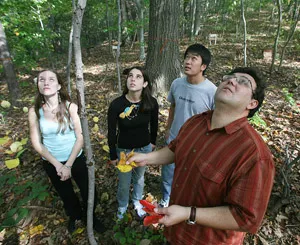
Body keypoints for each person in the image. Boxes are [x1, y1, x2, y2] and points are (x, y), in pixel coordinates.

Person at [128, 67, 275, 244]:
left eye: (243, 82)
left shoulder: (254, 154)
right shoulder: (196, 122)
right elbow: (175, 149)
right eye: (229, 77)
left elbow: (246, 218)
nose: (232, 81)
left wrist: (188, 213)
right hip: (174, 233)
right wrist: (145, 158)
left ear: (252, 103)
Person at [28, 70, 105, 234]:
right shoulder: (35, 111)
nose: (46, 82)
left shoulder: (71, 107)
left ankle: (90, 216)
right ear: (38, 85)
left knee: (89, 191)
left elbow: (80, 138)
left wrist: (68, 165)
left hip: (75, 159)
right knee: (66, 194)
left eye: (51, 79)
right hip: (52, 162)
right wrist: (58, 165)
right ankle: (75, 216)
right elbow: (36, 142)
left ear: (59, 85)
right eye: (42, 79)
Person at [160, 43, 217, 208]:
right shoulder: (177, 83)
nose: (188, 62)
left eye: (194, 59)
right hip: (174, 138)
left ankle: (185, 204)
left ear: (203, 66)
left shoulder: (212, 91)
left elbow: (214, 119)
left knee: (191, 176)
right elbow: (173, 106)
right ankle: (166, 199)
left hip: (197, 144)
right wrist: (168, 128)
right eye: (187, 57)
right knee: (168, 173)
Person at [107, 66, 159, 220]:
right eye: (130, 76)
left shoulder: (151, 103)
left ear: (145, 83)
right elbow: (111, 131)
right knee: (124, 183)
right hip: (124, 150)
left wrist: (152, 143)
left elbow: (154, 125)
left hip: (144, 148)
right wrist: (112, 153)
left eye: (138, 77)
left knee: (139, 178)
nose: (133, 79)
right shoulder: (117, 104)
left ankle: (137, 201)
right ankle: (122, 206)